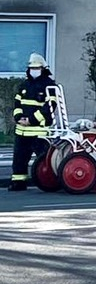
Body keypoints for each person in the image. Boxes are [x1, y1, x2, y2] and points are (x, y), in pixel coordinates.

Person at [9, 53, 55, 191]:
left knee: (46, 160)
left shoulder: (49, 85)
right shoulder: (24, 85)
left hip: (40, 132)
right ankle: (18, 182)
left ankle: (50, 182)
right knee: (19, 159)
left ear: (43, 69)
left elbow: (50, 107)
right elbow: (17, 104)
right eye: (31, 68)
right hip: (21, 131)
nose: (33, 70)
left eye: (36, 68)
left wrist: (32, 120)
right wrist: (19, 118)